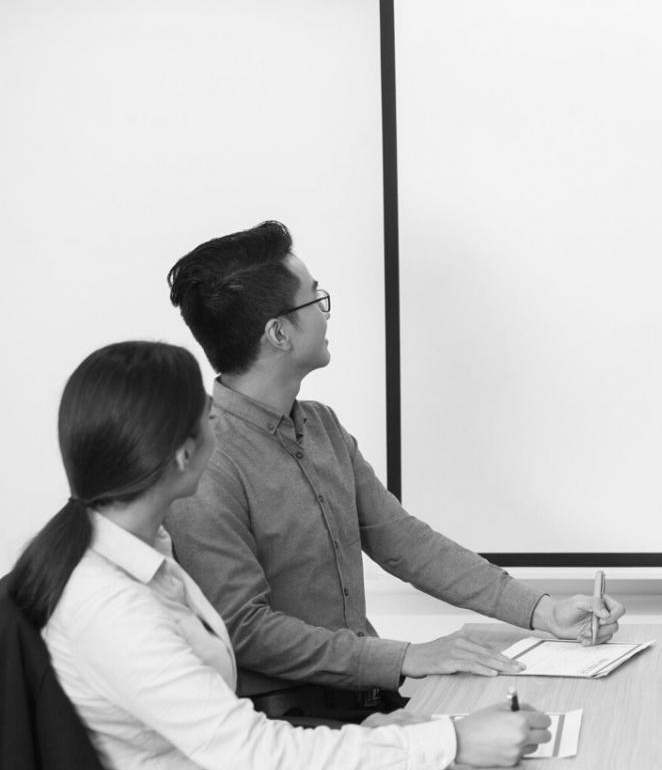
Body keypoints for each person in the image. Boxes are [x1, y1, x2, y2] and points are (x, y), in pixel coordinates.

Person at [12, 341, 552, 770]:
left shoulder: (146, 553)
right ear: (185, 452)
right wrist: (453, 740)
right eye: (205, 416)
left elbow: (221, 732)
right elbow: (251, 754)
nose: (218, 420)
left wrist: (377, 737)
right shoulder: (110, 605)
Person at [163, 221, 625, 722]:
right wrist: (407, 656)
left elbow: (405, 542)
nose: (324, 312)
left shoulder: (320, 425)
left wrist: (543, 611)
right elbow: (245, 629)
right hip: (292, 725)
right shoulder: (208, 460)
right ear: (278, 333)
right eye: (314, 299)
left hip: (373, 703)